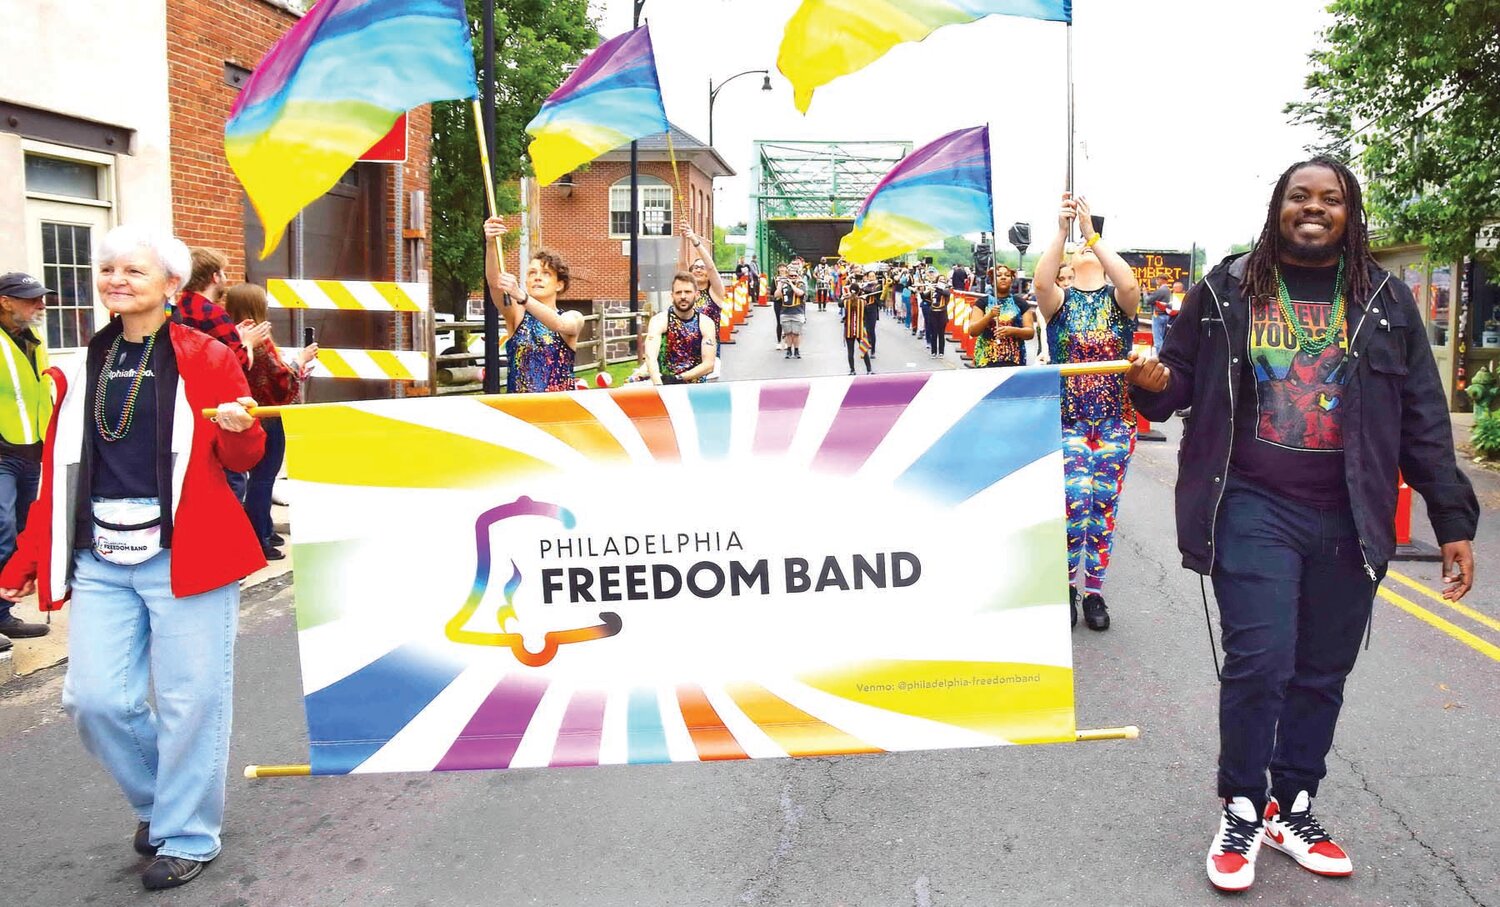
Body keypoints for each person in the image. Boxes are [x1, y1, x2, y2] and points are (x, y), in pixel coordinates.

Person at [1124, 157, 1478, 894]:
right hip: (1251, 505)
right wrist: (1151, 381)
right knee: (1262, 659)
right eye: (1300, 196)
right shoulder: (1225, 287)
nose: (1314, 208)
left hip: (1353, 512)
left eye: (1332, 198)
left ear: (1350, 216)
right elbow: (1176, 383)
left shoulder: (1384, 299)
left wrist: (1451, 518)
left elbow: (1422, 416)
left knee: (1322, 670)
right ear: (1277, 206)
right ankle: (1244, 806)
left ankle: (1295, 803)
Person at [0, 225, 266, 891]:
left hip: (188, 553)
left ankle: (188, 832)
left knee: (190, 700)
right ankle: (160, 804)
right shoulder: (85, 359)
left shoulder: (205, 356)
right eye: (108, 268)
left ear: (170, 284)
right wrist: (30, 553)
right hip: (100, 553)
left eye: (133, 270)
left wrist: (240, 430)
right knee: (95, 699)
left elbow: (243, 457)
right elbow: (62, 472)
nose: (116, 278)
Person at [1034, 192, 1141, 632]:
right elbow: (1041, 283)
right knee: (1074, 503)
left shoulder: (1121, 303)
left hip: (1116, 423)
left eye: (1089, 248)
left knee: (1103, 510)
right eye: (1075, 250)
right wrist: (1062, 231)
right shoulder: (1058, 304)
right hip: (1070, 421)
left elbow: (1130, 284)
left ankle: (1094, 590)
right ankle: (1067, 587)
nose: (1083, 251)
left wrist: (1092, 234)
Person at [222, 283, 317, 561]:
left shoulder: (233, 338)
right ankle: (258, 537)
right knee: (263, 481)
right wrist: (301, 360)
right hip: (268, 416)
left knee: (256, 480)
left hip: (246, 415)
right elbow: (280, 380)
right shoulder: (258, 341)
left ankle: (265, 527)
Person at [0, 273, 54, 648]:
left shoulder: (33, 340)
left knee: (21, 533)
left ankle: (3, 614)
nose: (41, 306)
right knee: (1, 528)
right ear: (5, 302)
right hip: (2, 452)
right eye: (32, 299)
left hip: (31, 449)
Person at [484, 217, 584, 393]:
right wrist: (491, 244)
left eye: (546, 273)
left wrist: (522, 296)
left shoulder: (573, 317)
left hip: (559, 410)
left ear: (559, 284)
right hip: (520, 410)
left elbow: (558, 324)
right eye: (532, 273)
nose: (537, 277)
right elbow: (495, 283)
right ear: (527, 281)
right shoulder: (516, 315)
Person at [646, 271, 717, 385]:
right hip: (664, 382)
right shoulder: (659, 320)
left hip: (695, 387)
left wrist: (678, 378)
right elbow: (650, 357)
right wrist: (659, 385)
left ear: (697, 295)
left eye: (688, 292)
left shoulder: (706, 323)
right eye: (678, 292)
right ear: (672, 296)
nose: (683, 296)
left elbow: (709, 364)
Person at [968, 265, 1035, 368]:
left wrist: (1013, 331)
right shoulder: (982, 303)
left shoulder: (1021, 303)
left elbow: (1030, 333)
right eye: (998, 275)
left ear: (1012, 280)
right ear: (992, 281)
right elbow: (973, 331)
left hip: (1014, 360)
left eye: (1007, 275)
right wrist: (989, 316)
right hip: (986, 361)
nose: (1003, 277)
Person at [843, 272, 874, 375]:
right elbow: (867, 312)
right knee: (864, 349)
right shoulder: (863, 301)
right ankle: (869, 370)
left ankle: (852, 370)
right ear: (859, 291)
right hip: (860, 329)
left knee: (850, 351)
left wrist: (845, 296)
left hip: (849, 330)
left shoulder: (846, 301)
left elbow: (839, 303)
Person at [779, 261, 808, 359]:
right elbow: (776, 296)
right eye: (790, 276)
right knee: (788, 333)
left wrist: (791, 284)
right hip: (785, 311)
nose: (792, 278)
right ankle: (788, 350)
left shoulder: (801, 284)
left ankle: (796, 350)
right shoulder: (783, 284)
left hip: (797, 311)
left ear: (798, 276)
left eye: (794, 276)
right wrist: (780, 285)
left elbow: (800, 293)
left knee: (796, 333)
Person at [925, 274, 951, 357]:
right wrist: (922, 290)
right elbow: (925, 297)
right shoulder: (933, 290)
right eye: (940, 280)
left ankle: (941, 352)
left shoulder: (946, 290)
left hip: (942, 313)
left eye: (943, 280)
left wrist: (937, 288)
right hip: (933, 313)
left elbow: (945, 293)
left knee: (941, 334)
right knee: (934, 333)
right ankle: (933, 351)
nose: (941, 281)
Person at [1146, 275, 1174, 353]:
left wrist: (1145, 293)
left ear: (1162, 280)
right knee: (1162, 338)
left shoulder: (1161, 290)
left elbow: (1148, 301)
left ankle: (1159, 358)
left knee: (1158, 339)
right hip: (1166, 315)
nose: (1156, 281)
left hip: (1158, 316)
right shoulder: (1168, 290)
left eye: (1157, 279)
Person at [770, 263, 790, 349]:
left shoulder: (789, 278)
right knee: (779, 321)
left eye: (783, 267)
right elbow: (772, 291)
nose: (782, 269)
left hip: (787, 302)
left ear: (786, 269)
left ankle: (785, 341)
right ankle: (778, 342)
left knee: (786, 322)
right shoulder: (775, 279)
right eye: (780, 268)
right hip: (778, 302)